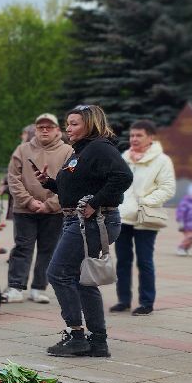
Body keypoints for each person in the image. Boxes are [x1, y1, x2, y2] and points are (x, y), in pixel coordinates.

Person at [42, 104, 132, 357]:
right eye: (67, 123)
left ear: (90, 124)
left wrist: (95, 202)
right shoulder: (81, 151)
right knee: (83, 280)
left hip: (93, 222)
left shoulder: (99, 148)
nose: (67, 128)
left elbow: (123, 177)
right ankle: (98, 342)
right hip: (79, 221)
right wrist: (50, 183)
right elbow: (80, 185)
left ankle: (77, 336)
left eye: (74, 124)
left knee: (59, 273)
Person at [3, 114, 73, 304]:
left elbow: (71, 183)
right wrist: (29, 201)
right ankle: (15, 287)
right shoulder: (22, 149)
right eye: (40, 127)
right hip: (24, 210)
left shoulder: (68, 151)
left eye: (49, 127)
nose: (44, 130)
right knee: (22, 248)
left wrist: (50, 204)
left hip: (54, 212)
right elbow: (13, 178)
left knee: (48, 250)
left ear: (57, 130)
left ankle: (38, 288)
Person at [112, 119, 176, 316]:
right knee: (122, 260)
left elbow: (168, 188)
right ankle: (123, 300)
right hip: (123, 216)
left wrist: (144, 202)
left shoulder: (162, 160)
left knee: (144, 261)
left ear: (151, 137)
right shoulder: (124, 157)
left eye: (139, 135)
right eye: (132, 135)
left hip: (145, 217)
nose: (134, 139)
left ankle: (146, 302)